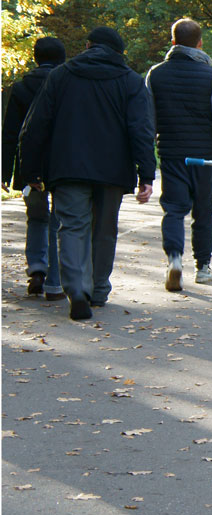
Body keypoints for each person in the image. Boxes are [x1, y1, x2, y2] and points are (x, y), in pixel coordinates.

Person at [18, 26, 155, 320]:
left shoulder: (61, 75)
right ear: (119, 52)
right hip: (113, 169)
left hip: (67, 166)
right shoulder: (130, 81)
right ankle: (98, 289)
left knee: (72, 227)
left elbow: (36, 125)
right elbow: (141, 130)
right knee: (105, 229)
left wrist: (30, 171)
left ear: (88, 45)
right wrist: (147, 174)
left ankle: (76, 290)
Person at [145, 17, 212, 291]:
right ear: (200, 43)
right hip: (204, 156)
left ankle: (174, 259)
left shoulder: (155, 74)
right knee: (203, 210)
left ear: (173, 42)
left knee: (174, 209)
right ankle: (203, 267)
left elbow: (148, 121)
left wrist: (145, 159)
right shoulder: (211, 75)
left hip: (172, 153)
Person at [2, 36, 67, 300]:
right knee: (60, 221)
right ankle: (55, 279)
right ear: (62, 58)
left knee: (37, 217)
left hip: (31, 165)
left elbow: (9, 134)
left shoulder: (21, 87)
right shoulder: (67, 84)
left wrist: (4, 171)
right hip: (63, 163)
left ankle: (37, 269)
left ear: (35, 58)